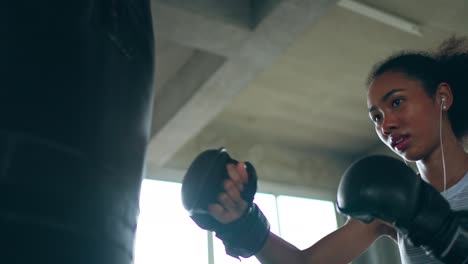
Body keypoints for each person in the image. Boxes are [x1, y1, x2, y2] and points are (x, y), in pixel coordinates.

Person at [202, 35, 468, 264]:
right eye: (376, 117)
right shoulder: (394, 203)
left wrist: (447, 233)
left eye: (397, 102)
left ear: (442, 97)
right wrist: (244, 223)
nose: (386, 124)